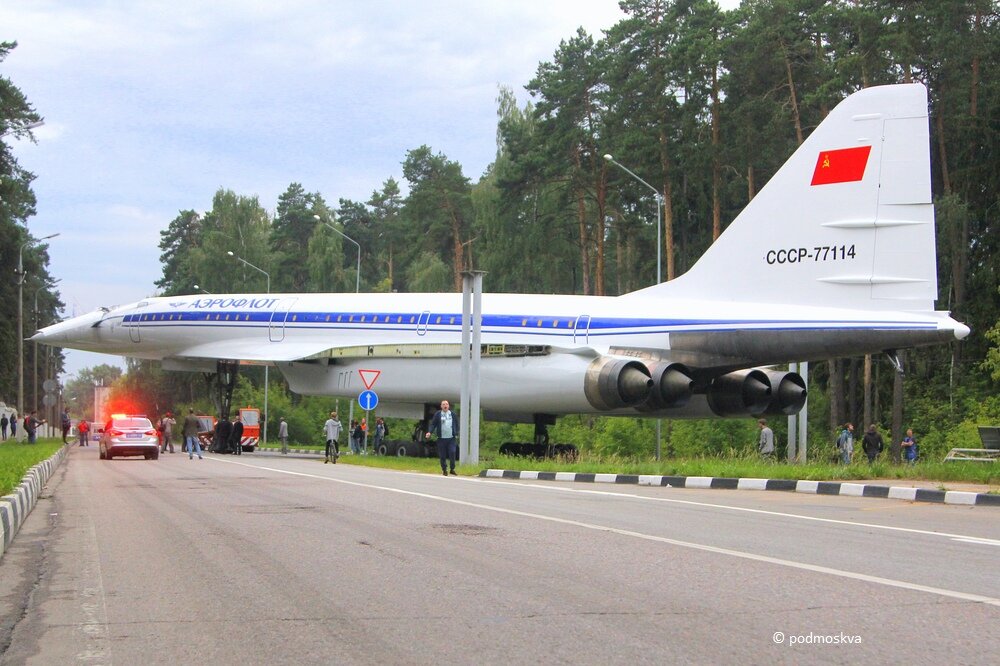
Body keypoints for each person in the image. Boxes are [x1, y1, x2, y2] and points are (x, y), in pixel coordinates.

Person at [425, 399, 459, 476]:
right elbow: (433, 424)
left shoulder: (452, 414)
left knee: (452, 452)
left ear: (448, 406)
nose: (445, 406)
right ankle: (444, 469)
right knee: (442, 455)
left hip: (451, 438)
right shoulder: (438, 414)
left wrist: (456, 433)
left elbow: (456, 424)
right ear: (441, 406)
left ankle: (452, 468)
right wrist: (429, 432)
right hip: (441, 439)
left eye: (446, 404)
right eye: (443, 404)